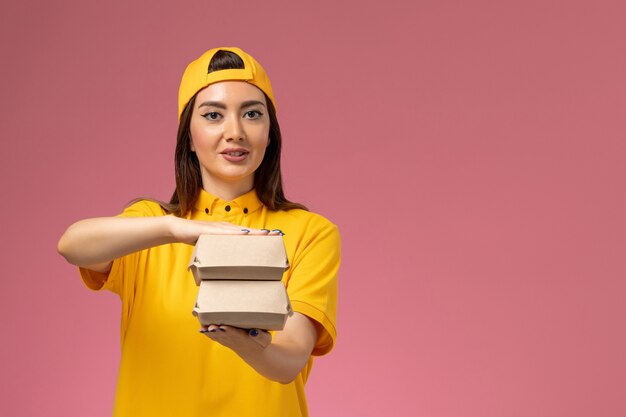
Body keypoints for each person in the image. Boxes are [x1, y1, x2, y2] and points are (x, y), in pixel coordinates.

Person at [57, 47, 340, 417]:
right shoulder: (150, 228)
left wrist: (244, 342)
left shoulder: (310, 232)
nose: (235, 132)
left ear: (270, 133)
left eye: (252, 114)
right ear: (188, 137)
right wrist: (175, 227)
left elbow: (289, 362)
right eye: (213, 115)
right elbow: (72, 245)